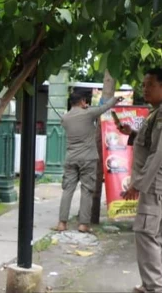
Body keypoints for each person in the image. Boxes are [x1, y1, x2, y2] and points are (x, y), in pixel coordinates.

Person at [120, 68, 162, 293]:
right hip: (161, 183)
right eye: (144, 84)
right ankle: (150, 284)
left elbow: (159, 153)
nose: (144, 89)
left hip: (156, 184)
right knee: (156, 234)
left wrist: (138, 184)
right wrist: (132, 133)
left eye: (150, 85)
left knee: (146, 233)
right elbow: (152, 143)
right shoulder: (158, 112)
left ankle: (154, 287)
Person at [56, 92, 123, 233]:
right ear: (82, 101)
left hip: (71, 158)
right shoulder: (88, 114)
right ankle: (83, 224)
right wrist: (115, 99)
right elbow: (104, 107)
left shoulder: (65, 118)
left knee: (67, 189)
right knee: (87, 190)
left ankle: (62, 223)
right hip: (88, 158)